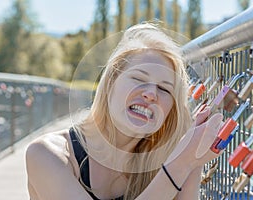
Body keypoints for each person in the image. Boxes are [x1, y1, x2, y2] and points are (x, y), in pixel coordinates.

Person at [25, 22, 223, 200]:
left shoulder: (160, 165)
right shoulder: (47, 154)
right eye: (138, 78)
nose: (150, 94)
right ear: (110, 83)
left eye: (164, 89)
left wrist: (194, 158)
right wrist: (181, 165)